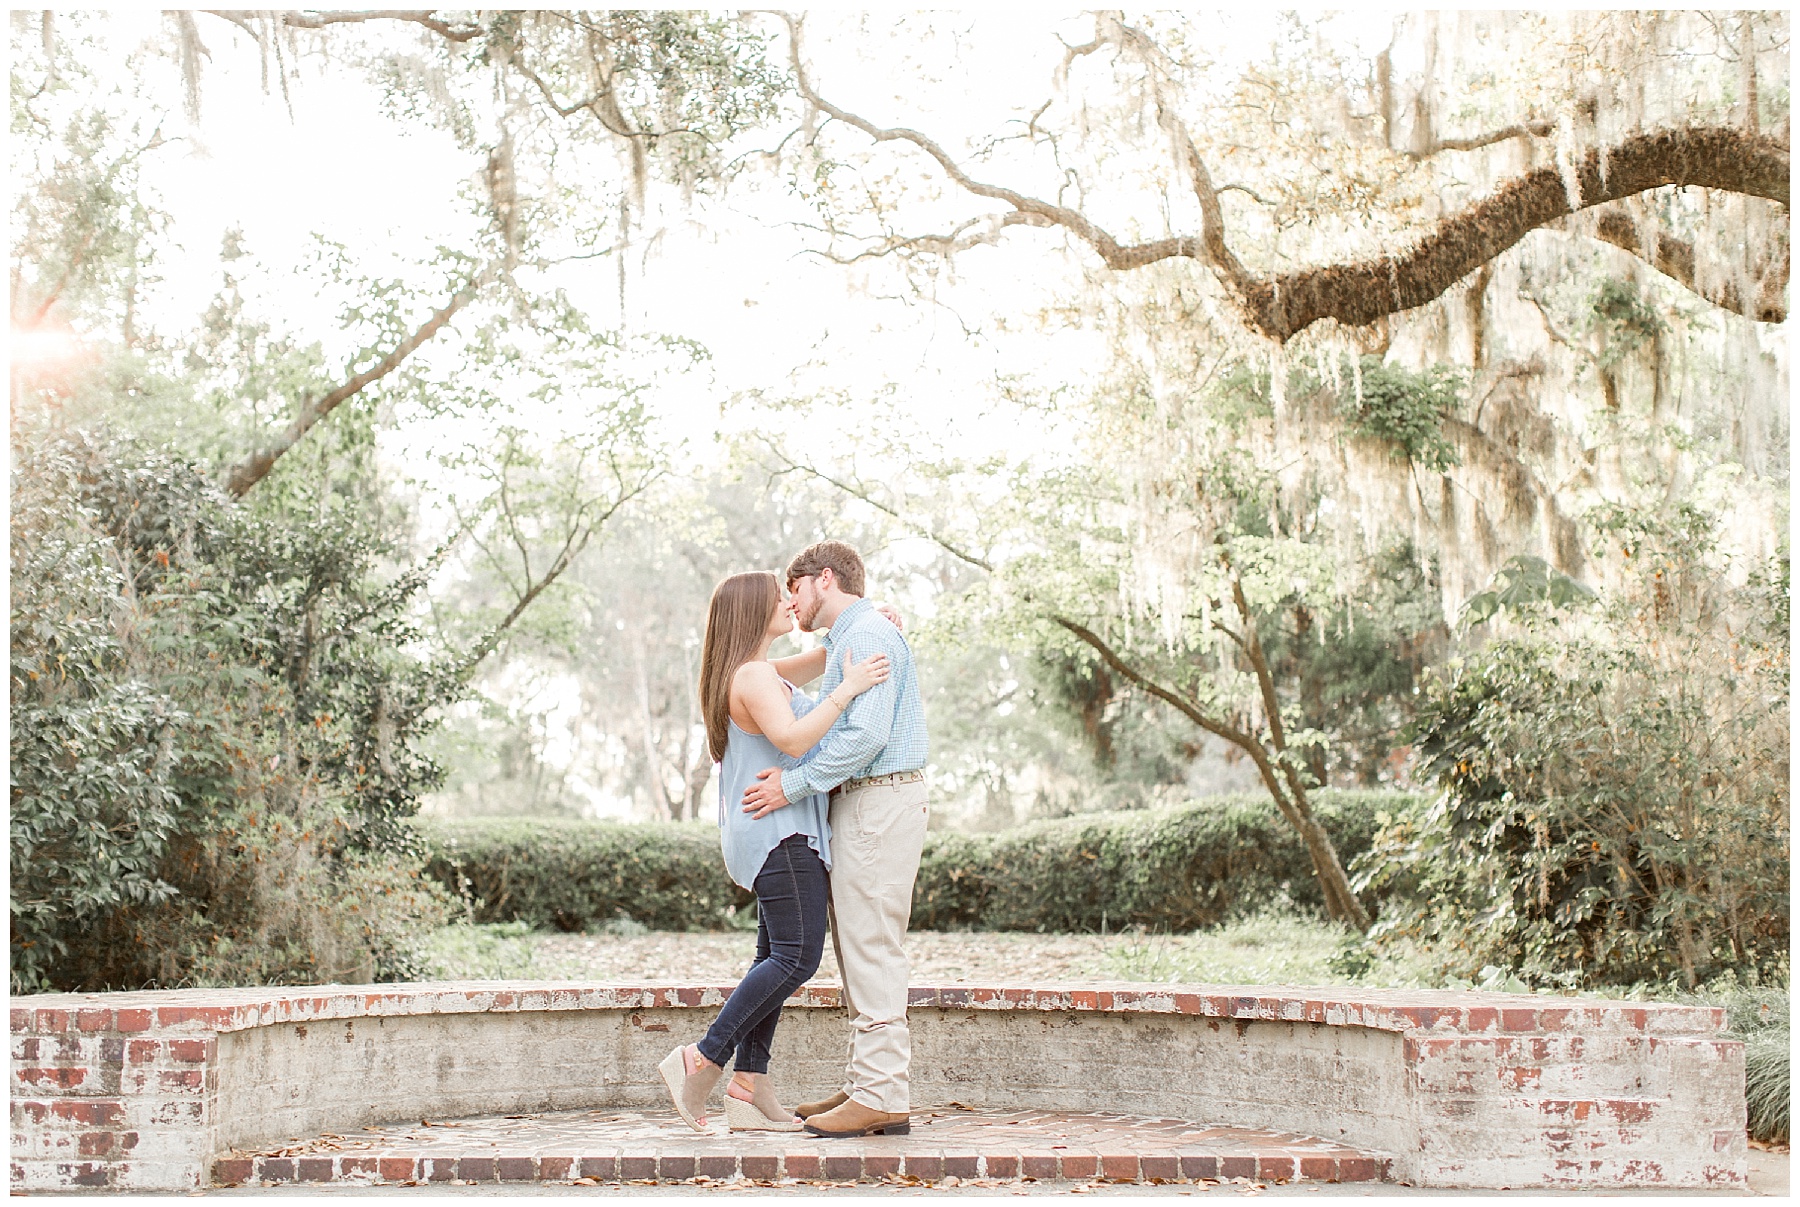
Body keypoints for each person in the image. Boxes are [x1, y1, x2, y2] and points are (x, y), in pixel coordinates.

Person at [658, 570, 893, 1132]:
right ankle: (704, 1057)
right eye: (779, 596)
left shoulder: (753, 671)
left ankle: (749, 1083)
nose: (791, 601)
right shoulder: (753, 676)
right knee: (796, 958)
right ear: (751, 611)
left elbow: (815, 661)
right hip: (779, 832)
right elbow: (791, 739)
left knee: (774, 956)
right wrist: (850, 688)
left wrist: (862, 627)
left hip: (773, 829)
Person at [740, 540, 928, 1139]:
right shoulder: (851, 637)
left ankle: (881, 1093)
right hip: (865, 802)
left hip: (880, 798)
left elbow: (866, 736)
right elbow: (831, 718)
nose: (790, 603)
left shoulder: (866, 634)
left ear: (823, 580)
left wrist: (793, 785)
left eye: (792, 589)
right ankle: (870, 1083)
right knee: (858, 941)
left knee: (871, 942)